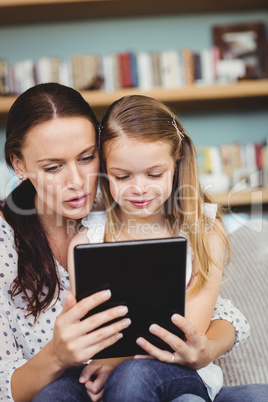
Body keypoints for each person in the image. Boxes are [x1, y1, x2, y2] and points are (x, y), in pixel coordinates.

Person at [68, 94, 252, 401]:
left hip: (181, 370)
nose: (139, 188)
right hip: (112, 377)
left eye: (155, 174)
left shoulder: (204, 230)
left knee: (134, 374)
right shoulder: (88, 240)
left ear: (177, 165)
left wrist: (117, 359)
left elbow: (186, 328)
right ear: (104, 172)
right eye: (122, 176)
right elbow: (93, 332)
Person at [0, 83, 132, 401]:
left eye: (87, 158)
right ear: (18, 165)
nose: (77, 181)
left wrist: (208, 345)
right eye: (53, 167)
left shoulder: (124, 211)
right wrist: (57, 357)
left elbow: (210, 307)